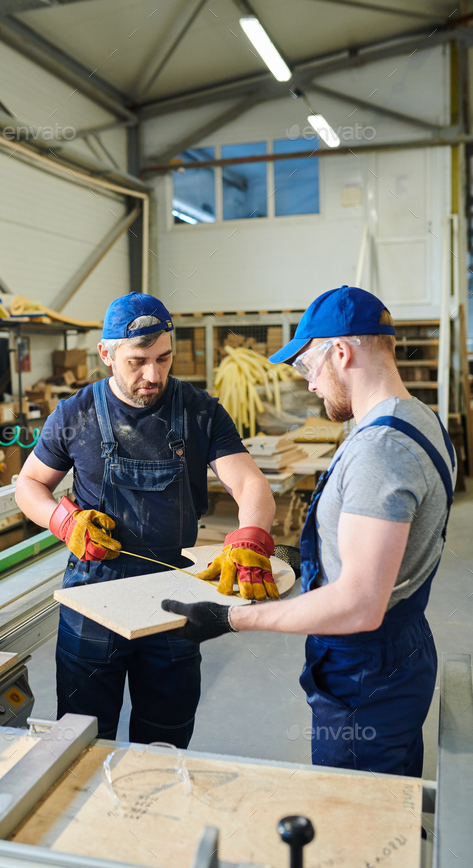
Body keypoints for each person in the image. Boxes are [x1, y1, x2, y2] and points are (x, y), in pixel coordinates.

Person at [164, 285, 455, 777]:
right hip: (396, 652)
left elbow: (360, 603)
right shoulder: (419, 419)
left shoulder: (380, 450)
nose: (309, 384)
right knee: (389, 806)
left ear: (341, 352)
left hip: (365, 671)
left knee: (354, 821)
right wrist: (284, 554)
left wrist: (229, 619)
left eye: (308, 366)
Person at [15, 291, 276, 746]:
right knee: (82, 738)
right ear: (106, 354)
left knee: (166, 740)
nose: (152, 374)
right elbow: (29, 484)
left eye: (164, 358)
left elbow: (249, 484)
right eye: (138, 361)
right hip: (94, 596)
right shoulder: (75, 414)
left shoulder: (200, 412)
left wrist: (252, 533)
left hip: (173, 595)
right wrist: (62, 521)